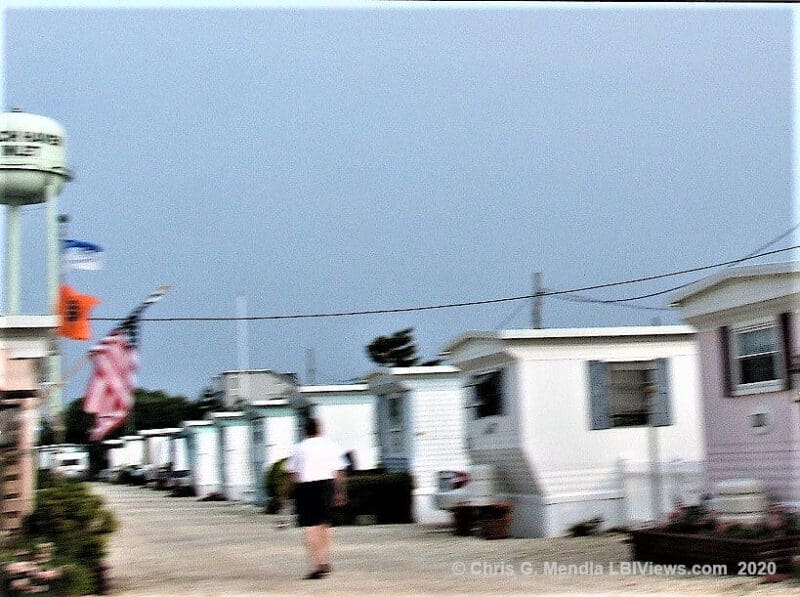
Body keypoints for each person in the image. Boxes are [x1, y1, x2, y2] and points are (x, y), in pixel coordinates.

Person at [285, 416, 347, 580]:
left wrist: (287, 494)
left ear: (305, 430)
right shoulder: (330, 446)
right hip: (326, 485)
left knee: (311, 527)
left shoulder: (298, 448)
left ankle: (316, 564)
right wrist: (340, 492)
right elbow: (339, 471)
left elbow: (292, 473)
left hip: (305, 487)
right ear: (319, 428)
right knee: (325, 525)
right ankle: (325, 560)